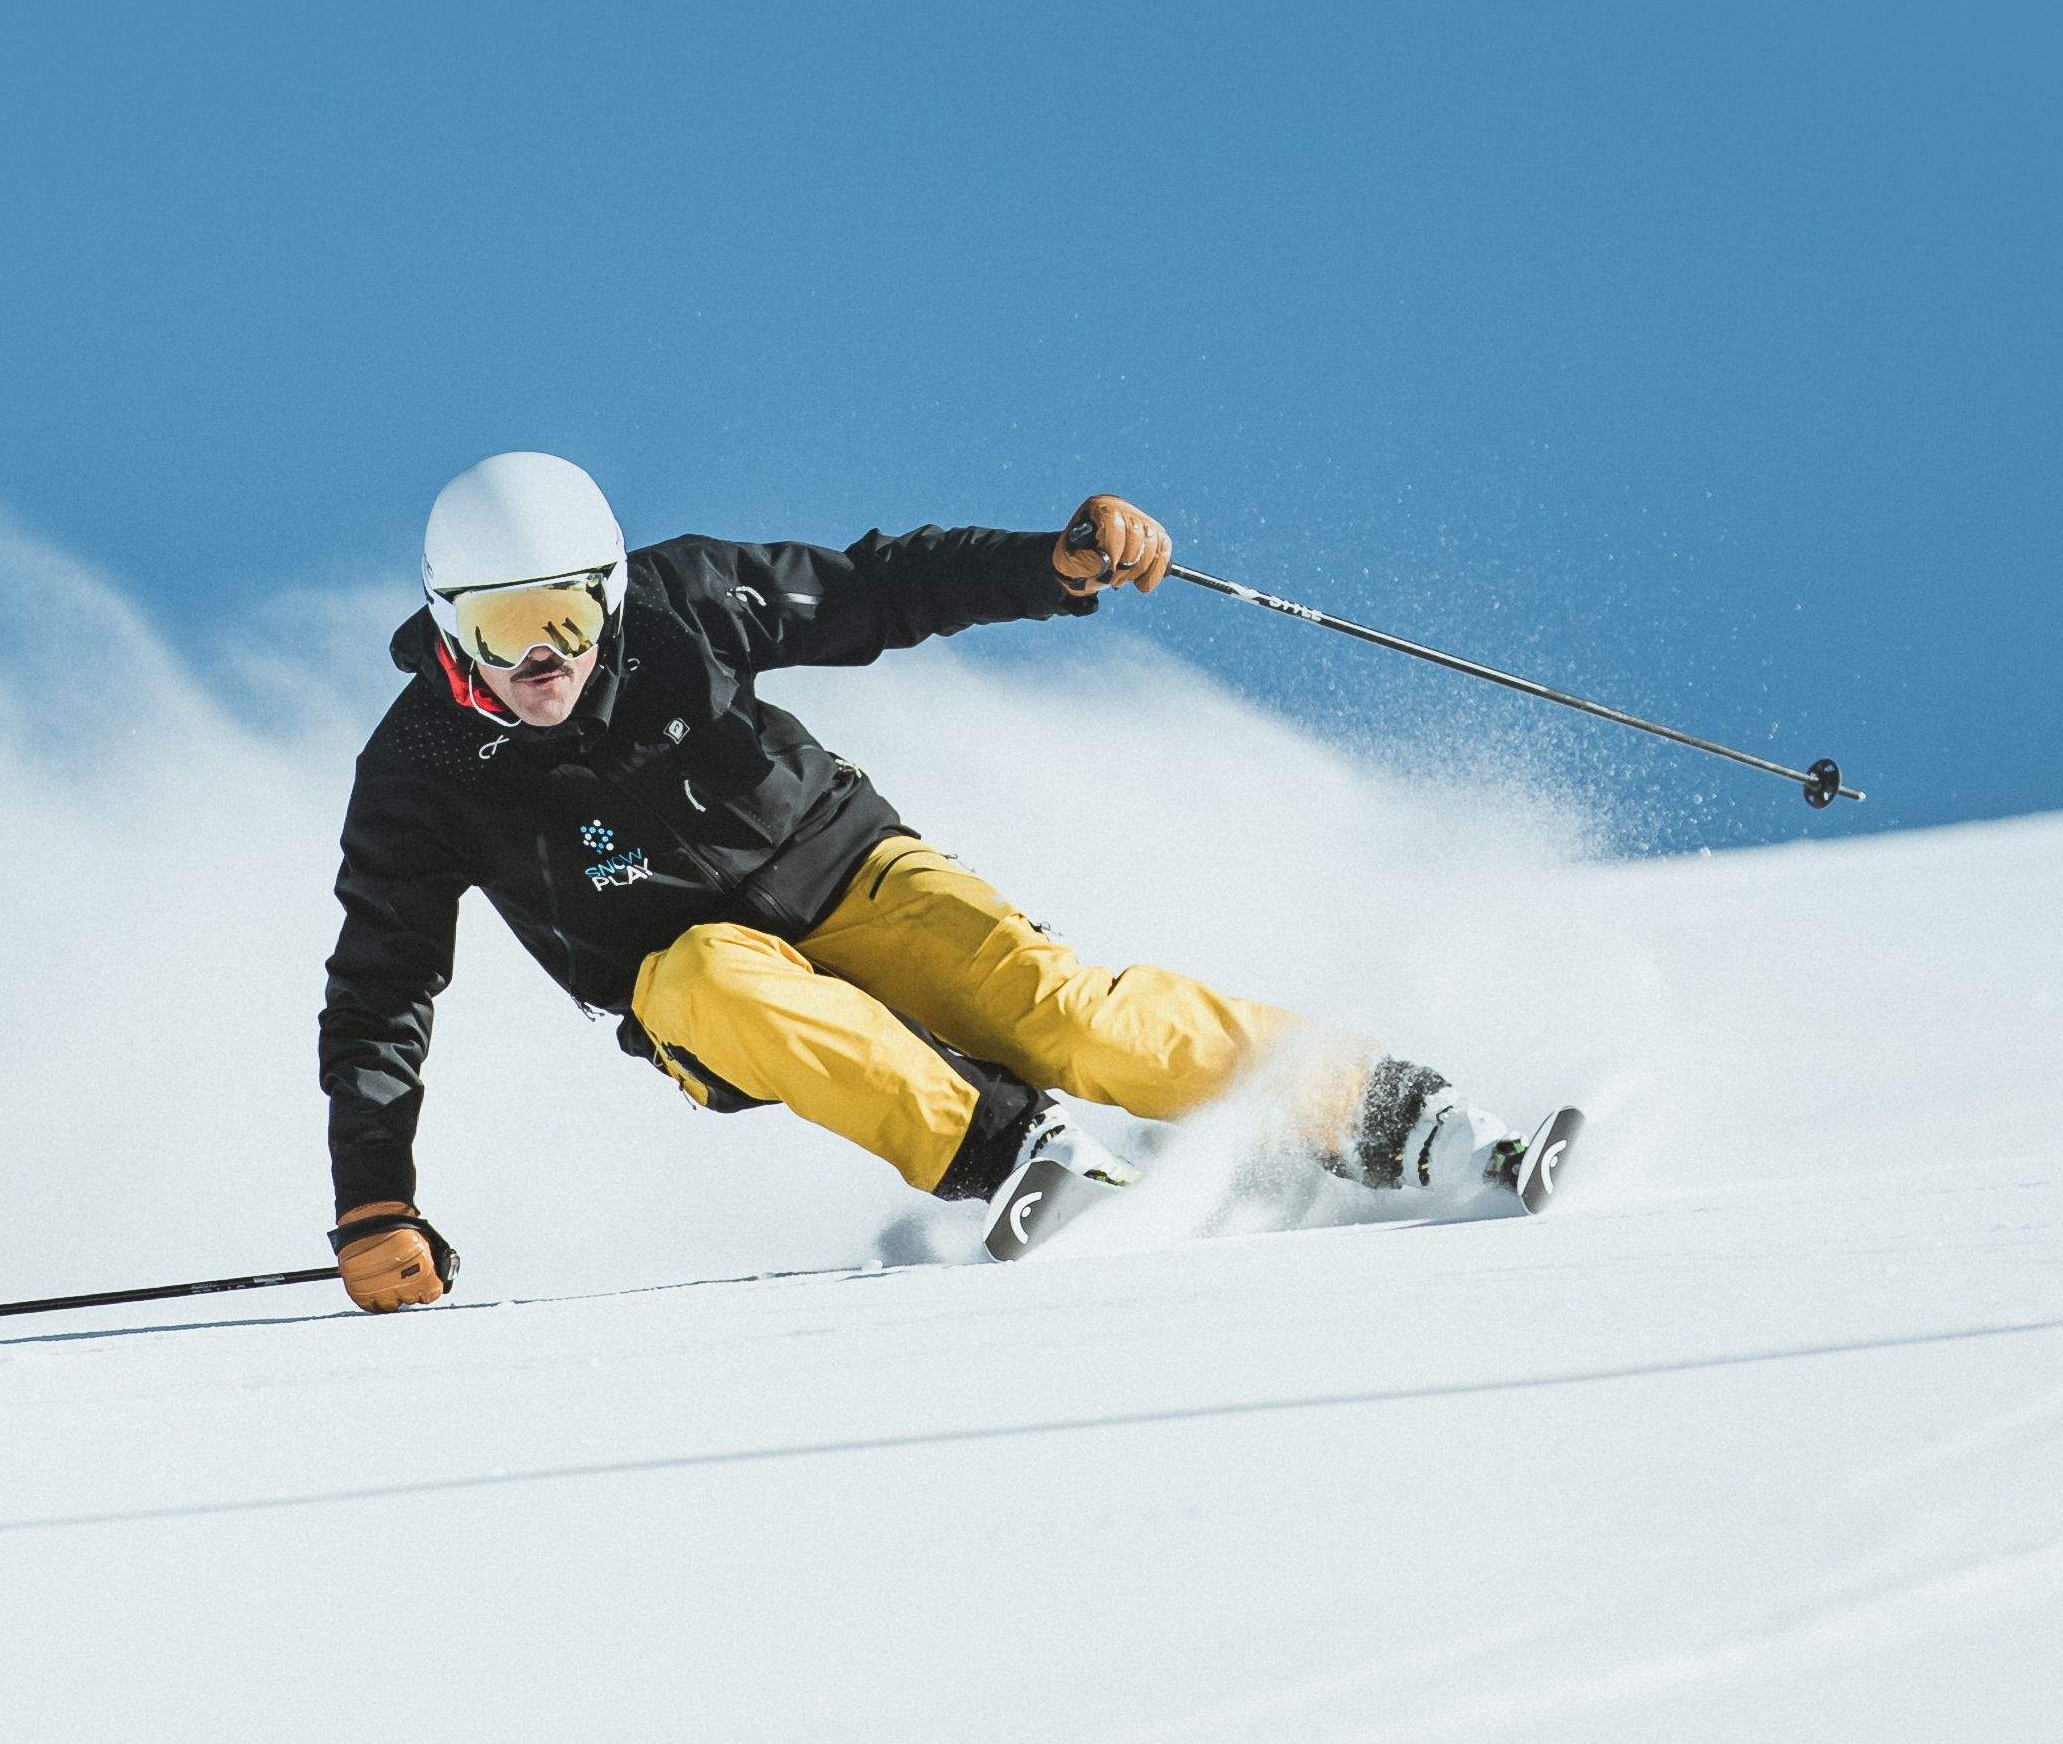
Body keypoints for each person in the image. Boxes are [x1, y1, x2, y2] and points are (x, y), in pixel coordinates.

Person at [319, 451, 1459, 1309]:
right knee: (712, 973)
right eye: (501, 628)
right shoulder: (419, 772)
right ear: (445, 621)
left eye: (564, 618)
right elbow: (380, 992)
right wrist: (374, 1204)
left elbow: (879, 588)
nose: (540, 662)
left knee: (1062, 1018)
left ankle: (1394, 1112)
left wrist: (1047, 565)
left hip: (847, 867)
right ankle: (1021, 1158)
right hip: (688, 982)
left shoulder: (685, 603)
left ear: (610, 595)